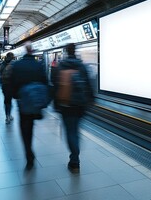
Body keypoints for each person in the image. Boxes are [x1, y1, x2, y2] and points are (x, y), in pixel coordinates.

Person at [52, 43, 93, 173]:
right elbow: (88, 85)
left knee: (70, 132)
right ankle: (75, 156)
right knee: (75, 130)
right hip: (80, 104)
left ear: (65, 52)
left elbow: (55, 86)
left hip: (65, 105)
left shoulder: (60, 66)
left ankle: (74, 160)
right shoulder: (82, 66)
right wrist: (91, 101)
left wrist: (56, 104)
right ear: (75, 51)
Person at [11, 42, 48, 170]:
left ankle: (29, 154)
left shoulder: (17, 65)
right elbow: (45, 82)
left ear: (24, 51)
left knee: (24, 127)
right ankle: (30, 149)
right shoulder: (38, 65)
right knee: (31, 126)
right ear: (32, 51)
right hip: (35, 101)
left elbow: (13, 83)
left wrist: (16, 95)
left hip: (22, 101)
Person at [0, 52, 15, 124]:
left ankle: (7, 116)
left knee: (6, 101)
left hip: (5, 85)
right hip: (12, 85)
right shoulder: (14, 64)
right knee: (10, 101)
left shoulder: (1, 64)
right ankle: (9, 114)